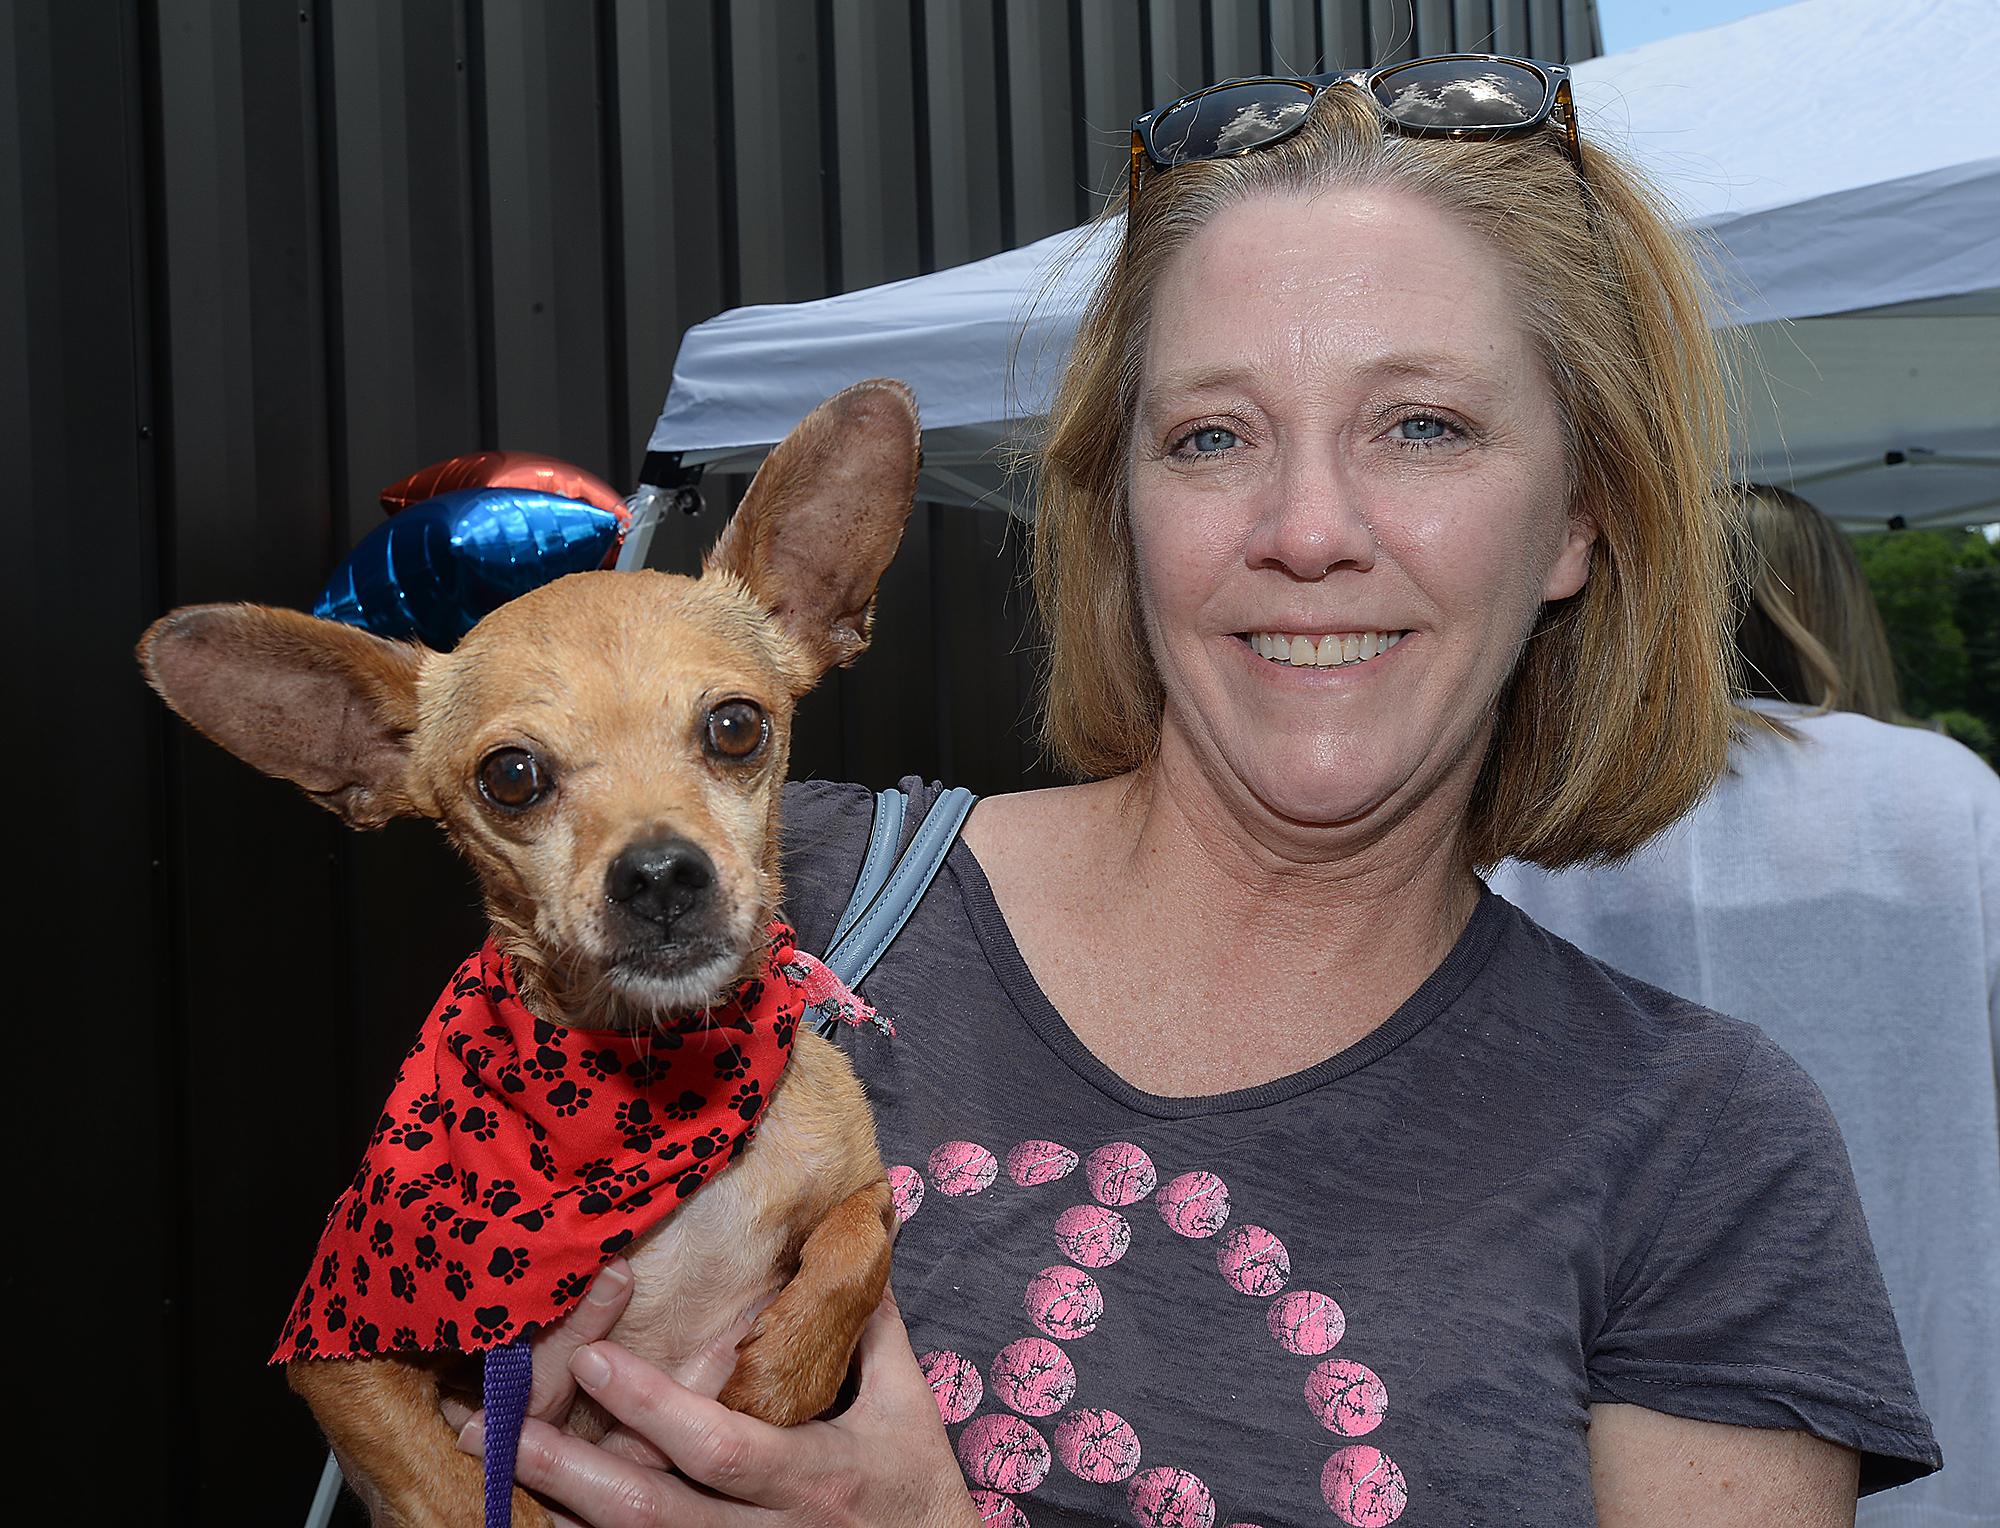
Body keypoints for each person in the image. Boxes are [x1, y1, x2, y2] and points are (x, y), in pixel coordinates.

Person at [450, 60, 1941, 1525]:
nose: (1307, 531)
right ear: (1123, 517)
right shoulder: (756, 902)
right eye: (1212, 437)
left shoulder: (1700, 1146)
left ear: (1578, 519)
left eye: (1423, 425)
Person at [1490, 485, 1999, 1526]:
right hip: (1925, 1314)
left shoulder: (1561, 823)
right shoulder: (1947, 794)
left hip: (1629, 1364)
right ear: (1832, 603)